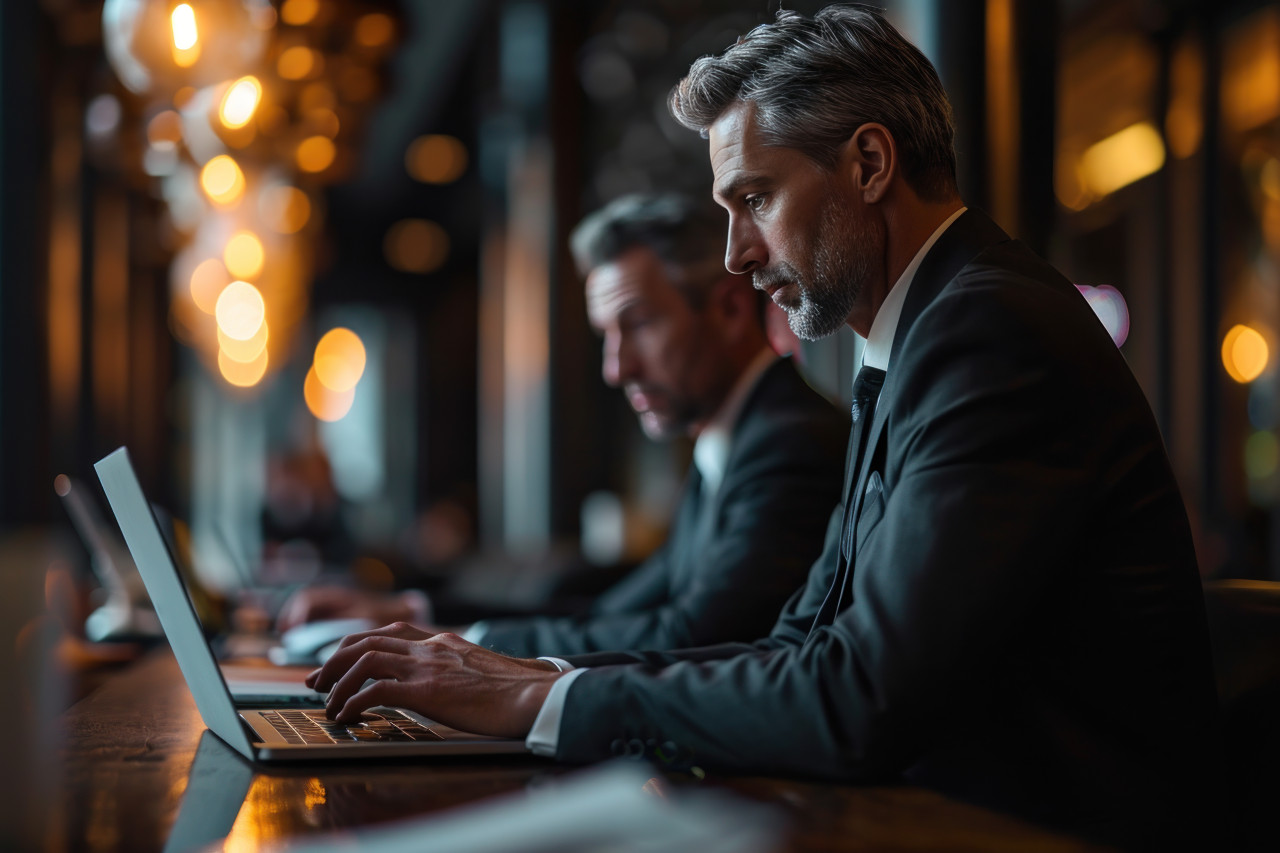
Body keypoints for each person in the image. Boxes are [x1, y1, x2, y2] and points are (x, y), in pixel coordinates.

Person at [306, 7, 1222, 847]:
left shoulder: (989, 330)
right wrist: (531, 681)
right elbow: (799, 644)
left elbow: (860, 696)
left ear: (869, 164)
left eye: (755, 200)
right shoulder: (927, 329)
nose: (739, 255)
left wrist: (543, 696)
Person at [278, 193, 848, 656]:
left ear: (729, 309)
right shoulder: (734, 441)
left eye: (640, 324)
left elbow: (694, 637)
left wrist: (463, 646)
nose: (616, 368)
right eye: (607, 336)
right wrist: (413, 615)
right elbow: (614, 616)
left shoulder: (787, 443)